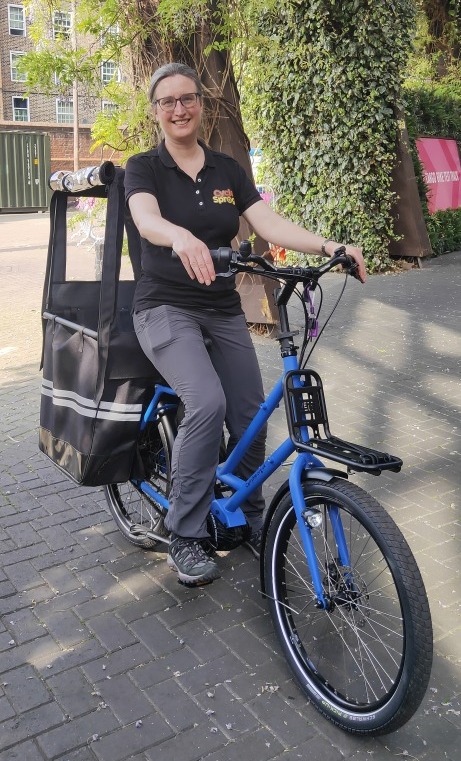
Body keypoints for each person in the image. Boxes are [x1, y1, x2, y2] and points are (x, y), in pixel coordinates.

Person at [124, 62, 366, 586]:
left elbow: (267, 221)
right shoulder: (144, 167)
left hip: (220, 307)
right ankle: (185, 532)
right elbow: (145, 219)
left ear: (201, 105)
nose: (179, 109)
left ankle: (251, 516)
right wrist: (180, 237)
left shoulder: (228, 169)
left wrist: (332, 247)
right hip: (164, 306)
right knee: (206, 402)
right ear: (156, 112)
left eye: (187, 98)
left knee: (251, 410)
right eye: (167, 102)